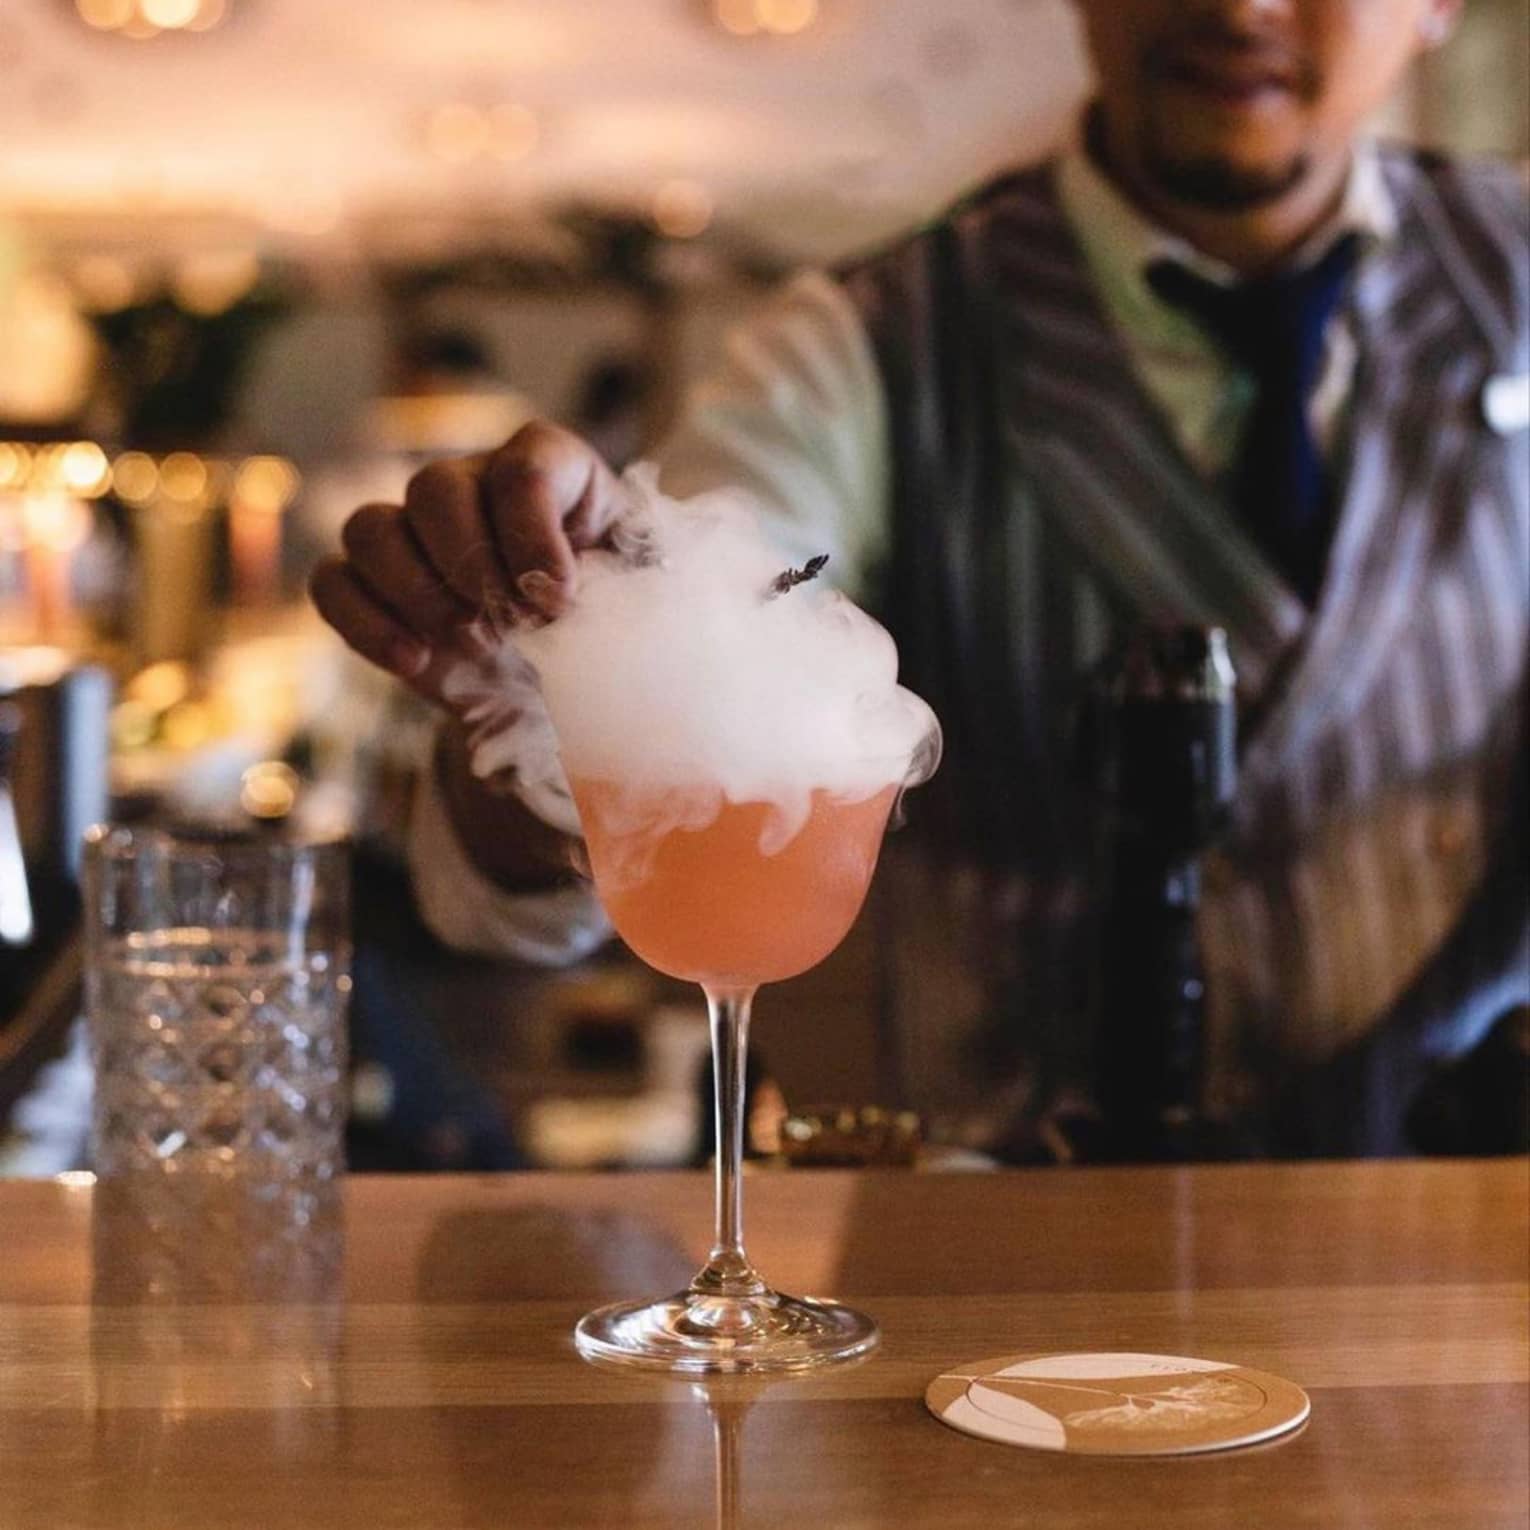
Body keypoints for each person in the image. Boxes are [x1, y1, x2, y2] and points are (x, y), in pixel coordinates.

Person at [311, 0, 1529, 1156]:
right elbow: (715, 607)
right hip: (988, 1236)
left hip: (1454, 1208)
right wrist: (581, 637)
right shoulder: (866, 343)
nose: (1239, 3)